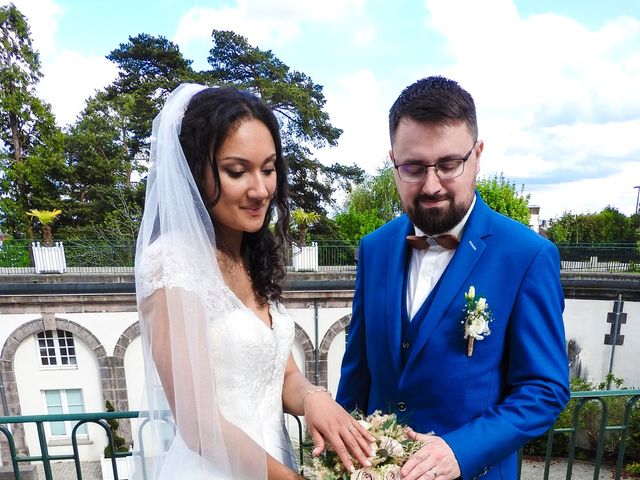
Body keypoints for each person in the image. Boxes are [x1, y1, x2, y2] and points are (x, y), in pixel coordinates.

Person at [134, 84, 373, 480]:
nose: (260, 190)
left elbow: (285, 375)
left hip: (275, 464)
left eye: (268, 168)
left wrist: (314, 399)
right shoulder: (171, 263)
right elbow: (197, 424)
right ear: (196, 171)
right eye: (236, 171)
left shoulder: (251, 258)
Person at [336, 76, 570, 480]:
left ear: (477, 155)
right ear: (392, 161)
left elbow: (544, 390)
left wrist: (459, 452)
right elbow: (356, 376)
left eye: (448, 165)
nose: (431, 186)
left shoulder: (527, 255)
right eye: (413, 167)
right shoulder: (372, 248)